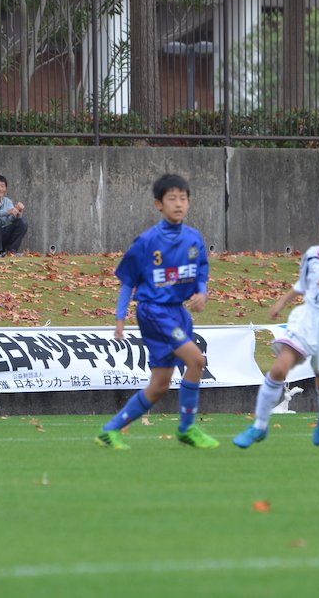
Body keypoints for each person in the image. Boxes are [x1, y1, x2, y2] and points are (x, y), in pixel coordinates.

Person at [233, 204, 319, 449]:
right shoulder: (311, 256)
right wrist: (280, 303)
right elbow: (302, 284)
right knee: (279, 368)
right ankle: (259, 425)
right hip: (307, 318)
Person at [96, 173, 218, 450]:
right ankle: (187, 429)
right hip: (153, 312)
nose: (178, 204)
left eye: (183, 198)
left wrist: (202, 293)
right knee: (196, 360)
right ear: (158, 205)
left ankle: (110, 430)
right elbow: (128, 281)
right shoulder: (146, 242)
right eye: (171, 198)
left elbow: (201, 272)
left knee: (160, 385)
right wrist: (119, 319)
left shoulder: (193, 238)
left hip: (177, 313)